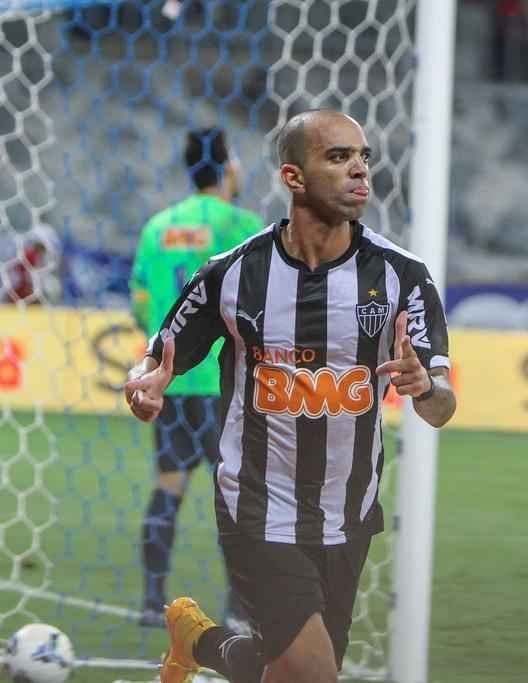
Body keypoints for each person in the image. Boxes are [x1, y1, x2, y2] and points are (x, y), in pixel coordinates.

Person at [123, 110, 457, 683]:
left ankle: (201, 642)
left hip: (347, 515)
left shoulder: (404, 277)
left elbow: (442, 406)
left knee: (288, 672)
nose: (359, 169)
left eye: (364, 157)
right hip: (257, 506)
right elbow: (157, 355)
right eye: (338, 156)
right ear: (293, 178)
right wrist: (145, 380)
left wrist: (428, 388)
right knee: (313, 675)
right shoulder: (232, 273)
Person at [129, 128, 263, 629]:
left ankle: (150, 602)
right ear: (227, 164)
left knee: (169, 486)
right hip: (225, 386)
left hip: (170, 380)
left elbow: (140, 298)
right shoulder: (243, 225)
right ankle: (238, 611)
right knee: (237, 495)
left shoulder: (158, 226)